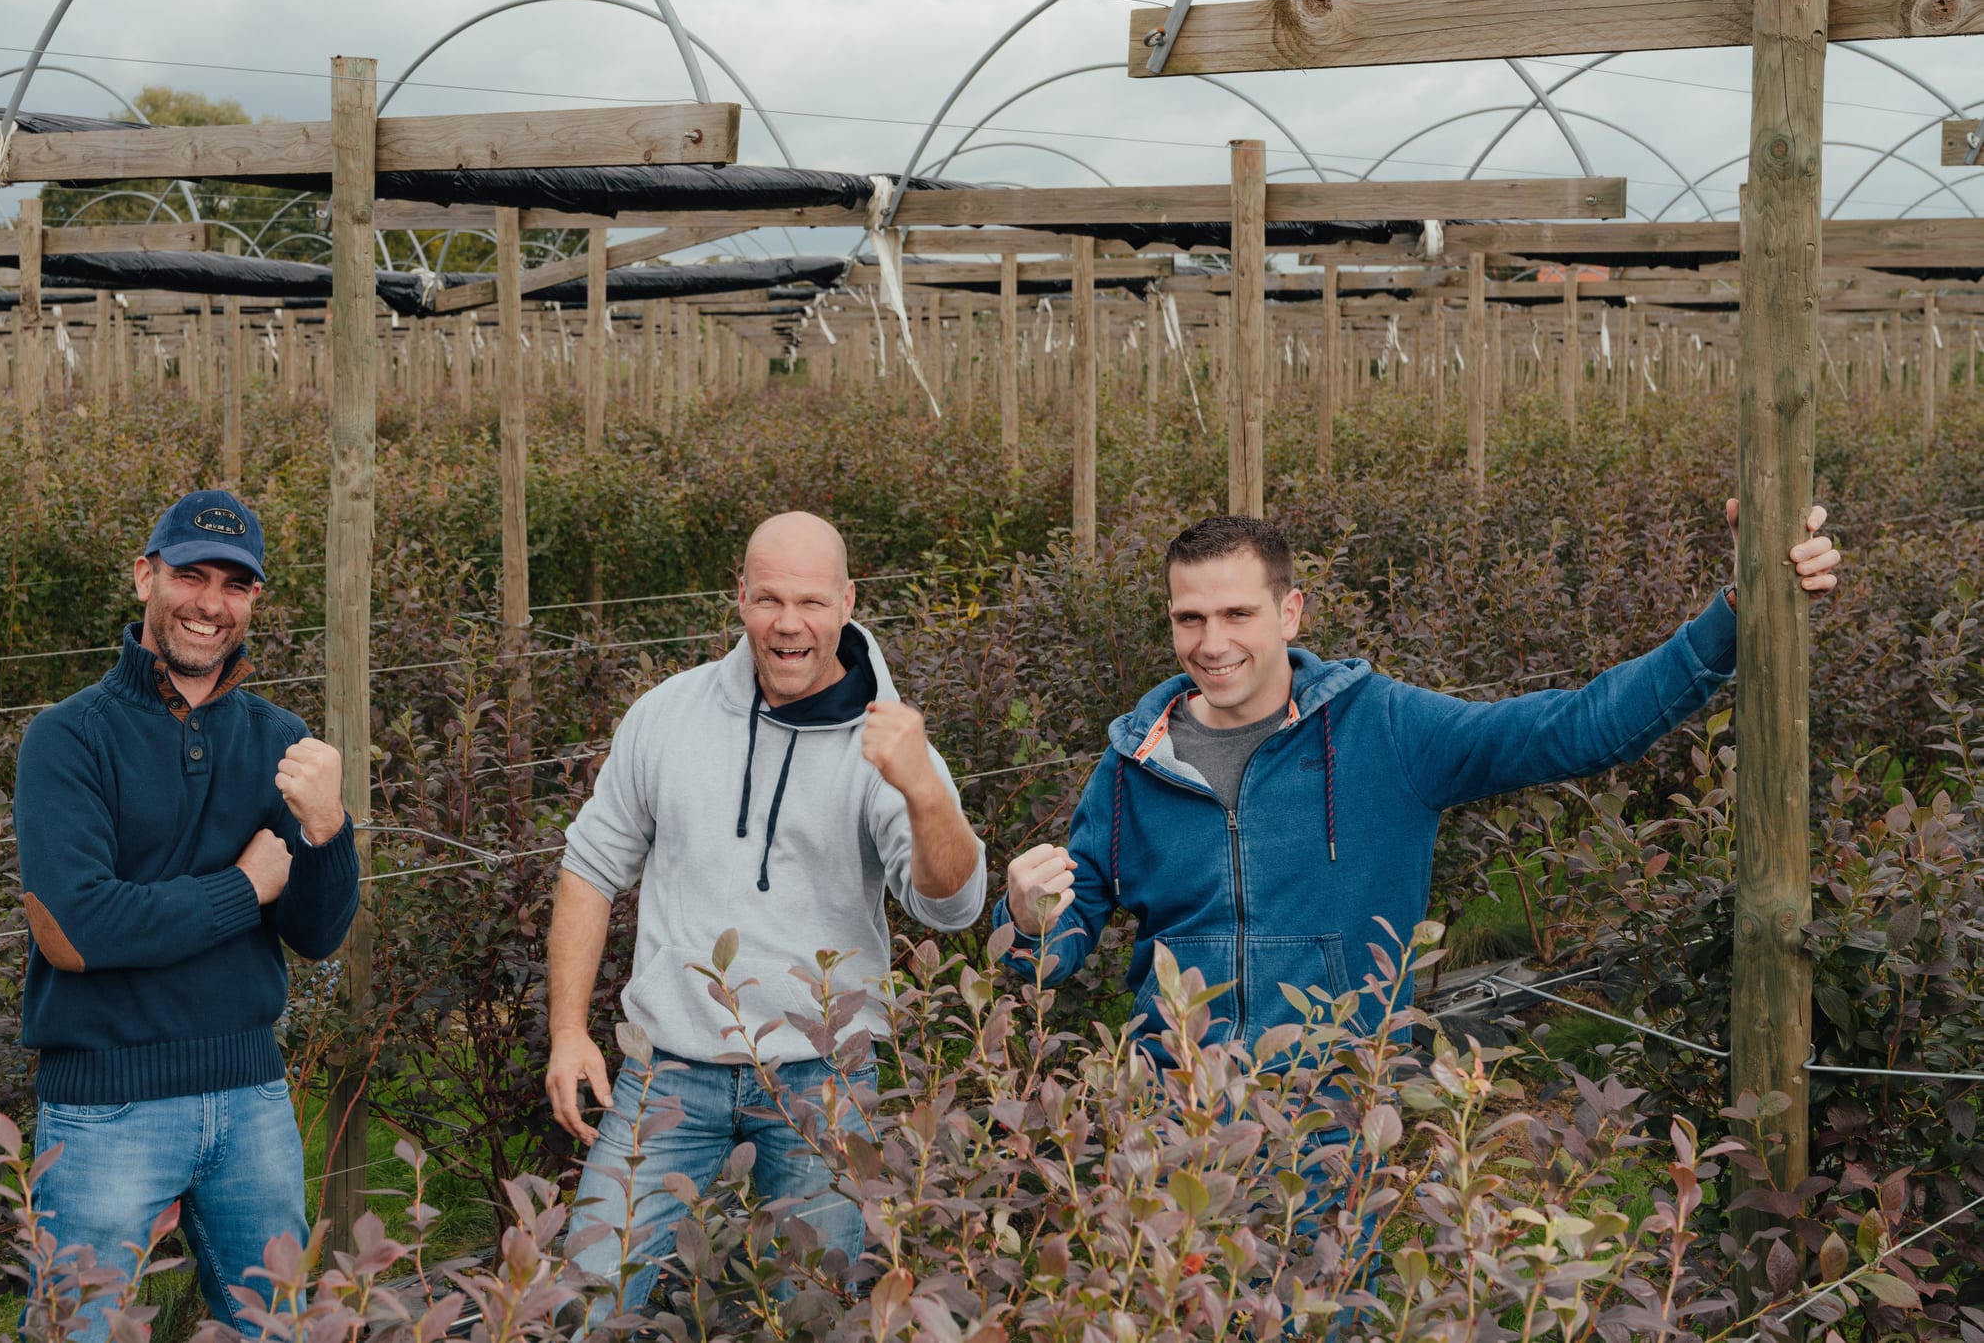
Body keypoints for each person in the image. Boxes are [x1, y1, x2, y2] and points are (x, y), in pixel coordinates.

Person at [997, 503, 1843, 1059]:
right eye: (1190, 618)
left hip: (1327, 1122)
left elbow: (1580, 728)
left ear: (1290, 614)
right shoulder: (1136, 761)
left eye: (1237, 614)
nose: (1211, 642)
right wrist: (1029, 923)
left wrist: (1735, 613)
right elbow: (1056, 949)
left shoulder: (1386, 730)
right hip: (1171, 1119)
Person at [545, 511, 987, 1317]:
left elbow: (952, 905)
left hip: (824, 1083)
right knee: (587, 1306)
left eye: (813, 602)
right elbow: (589, 869)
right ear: (739, 596)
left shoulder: (890, 740)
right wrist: (569, 1032)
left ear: (849, 602)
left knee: (813, 1314)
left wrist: (923, 791)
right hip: (666, 1074)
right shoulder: (668, 716)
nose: (790, 624)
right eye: (769, 599)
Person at [12, 489, 359, 1340]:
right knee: (75, 1331)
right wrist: (243, 889)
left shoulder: (280, 737)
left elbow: (316, 933)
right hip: (107, 1110)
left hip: (251, 1098)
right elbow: (76, 929)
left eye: (234, 584)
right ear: (144, 578)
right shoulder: (69, 740)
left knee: (276, 1329)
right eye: (189, 576)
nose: (209, 604)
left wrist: (328, 829)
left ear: (254, 602)